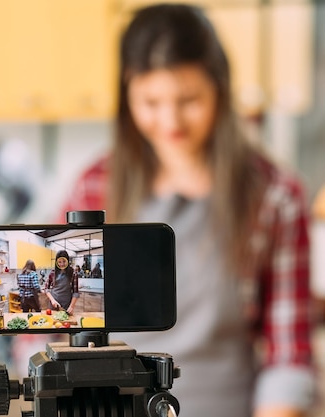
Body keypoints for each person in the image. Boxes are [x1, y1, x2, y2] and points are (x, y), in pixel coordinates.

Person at [60, 4, 315, 417]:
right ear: (127, 96)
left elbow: (289, 353)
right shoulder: (93, 187)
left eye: (189, 99)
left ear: (220, 89)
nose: (170, 119)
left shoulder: (276, 196)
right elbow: (51, 332)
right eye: (150, 101)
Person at [44, 250, 79, 314]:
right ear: (56, 262)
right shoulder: (53, 273)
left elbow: (75, 292)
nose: (62, 264)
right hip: (53, 305)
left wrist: (71, 306)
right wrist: (52, 300)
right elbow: (46, 289)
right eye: (59, 262)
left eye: (64, 261)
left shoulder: (73, 273)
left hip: (67, 306)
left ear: (68, 261)